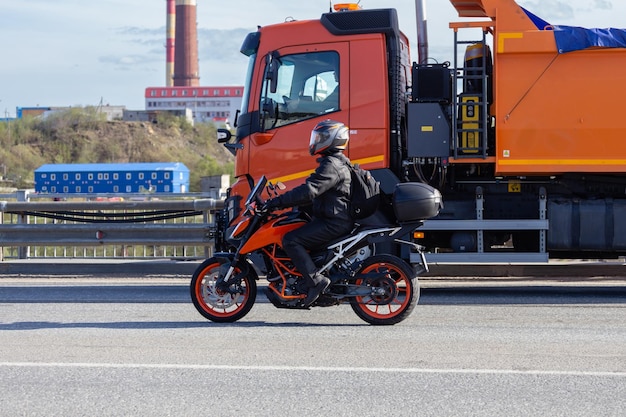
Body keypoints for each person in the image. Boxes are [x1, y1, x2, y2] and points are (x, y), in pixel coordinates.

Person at [264, 119, 354, 307]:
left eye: (320, 137)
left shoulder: (331, 165)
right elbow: (314, 191)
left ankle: (315, 281)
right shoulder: (336, 163)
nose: (316, 140)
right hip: (333, 217)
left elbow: (309, 191)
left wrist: (276, 202)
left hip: (333, 222)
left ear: (332, 140)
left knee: (291, 239)